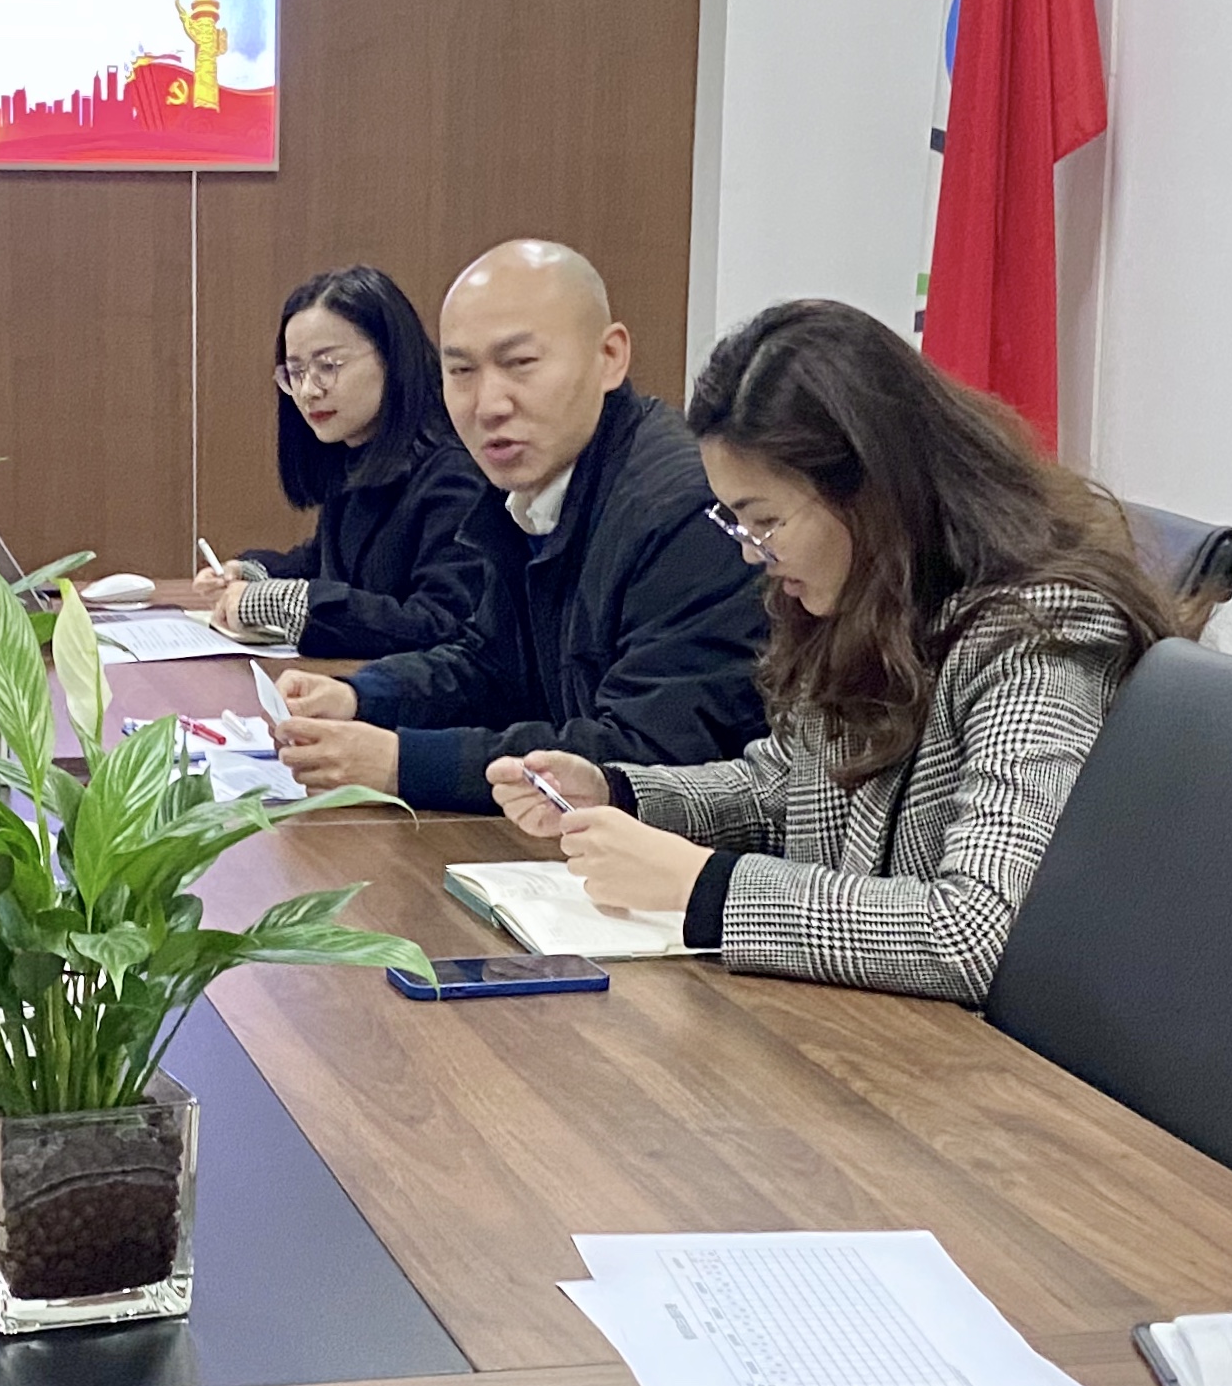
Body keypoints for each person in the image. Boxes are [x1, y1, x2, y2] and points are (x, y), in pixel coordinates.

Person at [484, 298, 1177, 990]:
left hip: (963, 1049)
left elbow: (974, 931)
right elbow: (782, 789)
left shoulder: (1043, 632)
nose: (752, 553)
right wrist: (617, 792)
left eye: (765, 521)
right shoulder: (863, 595)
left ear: (870, 489)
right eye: (738, 525)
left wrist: (708, 888)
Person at [272, 239, 766, 811]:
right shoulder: (531, 484)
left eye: (520, 364)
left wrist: (403, 763)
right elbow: (491, 664)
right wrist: (360, 697)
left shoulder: (684, 510)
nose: (488, 405)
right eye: (461, 371)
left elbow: (644, 758)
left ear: (610, 357)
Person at [185, 263, 493, 654]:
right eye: (296, 372)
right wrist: (252, 573)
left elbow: (441, 623)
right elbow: (324, 562)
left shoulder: (455, 472)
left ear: (392, 358)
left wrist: (283, 602)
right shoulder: (358, 456)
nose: (308, 391)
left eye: (327, 367)